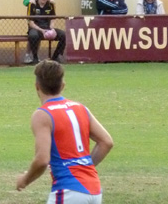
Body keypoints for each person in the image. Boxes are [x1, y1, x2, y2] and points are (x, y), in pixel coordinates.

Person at [16, 59, 113, 202]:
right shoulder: (80, 108)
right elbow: (106, 142)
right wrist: (84, 167)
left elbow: (42, 159)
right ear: (63, 85)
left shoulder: (42, 114)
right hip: (94, 189)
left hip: (69, 191)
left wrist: (24, 179)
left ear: (37, 86)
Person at [27, 0, 66, 64]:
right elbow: (30, 22)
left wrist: (52, 27)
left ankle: (55, 57)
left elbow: (53, 18)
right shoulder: (32, 4)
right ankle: (35, 57)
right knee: (33, 35)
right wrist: (41, 30)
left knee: (63, 35)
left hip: (47, 28)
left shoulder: (51, 5)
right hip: (36, 28)